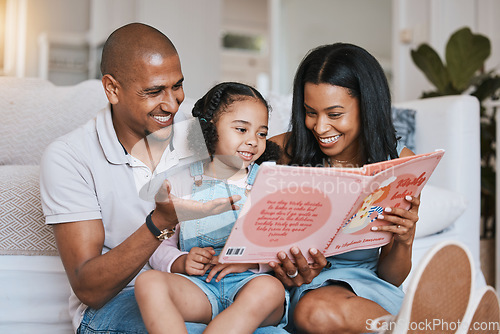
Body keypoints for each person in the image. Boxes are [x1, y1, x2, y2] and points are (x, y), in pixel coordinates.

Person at [40, 23, 243, 334]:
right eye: (154, 91)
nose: (173, 103)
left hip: (197, 291)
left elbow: (265, 153)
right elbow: (90, 288)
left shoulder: (196, 132)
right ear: (112, 89)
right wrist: (158, 223)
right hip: (116, 303)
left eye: (177, 85)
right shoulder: (70, 156)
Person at [268, 42, 421, 333]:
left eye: (334, 114)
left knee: (320, 311)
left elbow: (391, 277)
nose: (320, 127)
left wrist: (405, 239)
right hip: (303, 288)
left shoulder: (400, 163)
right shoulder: (281, 151)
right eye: (310, 112)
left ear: (367, 106)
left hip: (364, 285)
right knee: (314, 310)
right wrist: (282, 269)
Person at [134, 82, 289, 334]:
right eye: (241, 129)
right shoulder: (179, 182)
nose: (253, 141)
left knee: (269, 290)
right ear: (209, 129)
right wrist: (181, 262)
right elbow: (159, 244)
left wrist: (249, 263)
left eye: (261, 134)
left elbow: (282, 243)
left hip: (249, 285)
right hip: (199, 287)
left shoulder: (269, 182)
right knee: (148, 282)